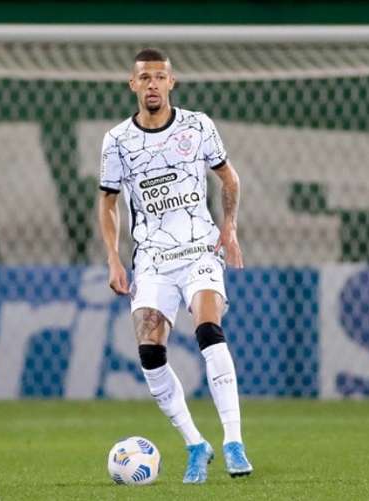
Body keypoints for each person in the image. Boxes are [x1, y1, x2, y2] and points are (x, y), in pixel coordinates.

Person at [97, 48, 253, 484]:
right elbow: (107, 200)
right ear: (132, 85)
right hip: (151, 260)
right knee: (150, 352)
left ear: (171, 82)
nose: (151, 84)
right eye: (144, 77)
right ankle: (195, 444)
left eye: (159, 77)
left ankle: (233, 442)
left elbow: (229, 178)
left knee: (208, 329)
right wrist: (113, 256)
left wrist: (231, 230)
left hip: (199, 249)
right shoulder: (117, 141)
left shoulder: (198, 126)